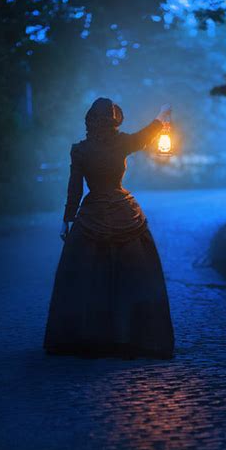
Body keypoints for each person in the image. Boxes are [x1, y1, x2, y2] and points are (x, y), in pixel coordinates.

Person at [44, 97, 174, 359]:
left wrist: (68, 218)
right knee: (132, 277)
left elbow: (75, 188)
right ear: (114, 119)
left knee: (87, 279)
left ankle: (89, 336)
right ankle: (132, 335)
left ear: (89, 121)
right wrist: (161, 115)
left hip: (91, 214)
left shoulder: (80, 150)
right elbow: (145, 135)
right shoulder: (122, 142)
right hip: (123, 210)